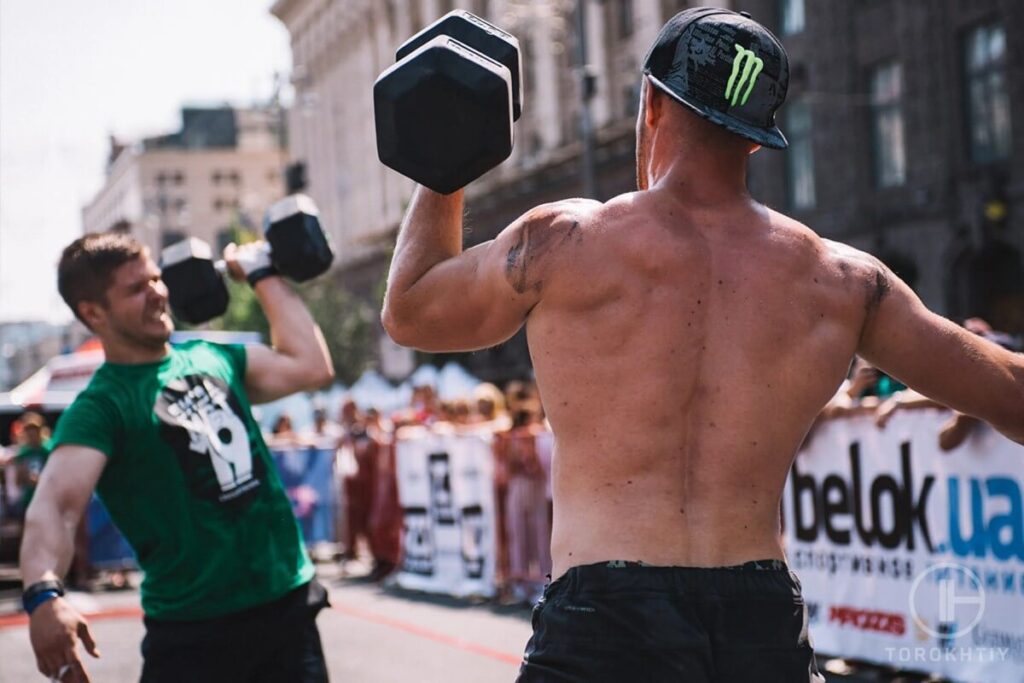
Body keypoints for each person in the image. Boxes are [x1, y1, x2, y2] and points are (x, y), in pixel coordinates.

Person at [380, 8, 1024, 681]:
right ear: (755, 140)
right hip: (758, 623)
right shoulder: (841, 280)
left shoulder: (565, 241)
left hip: (605, 618)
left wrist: (446, 160)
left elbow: (413, 310)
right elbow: (1013, 392)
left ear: (652, 103)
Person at [21, 232, 335, 683]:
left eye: (155, 279)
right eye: (136, 289)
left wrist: (263, 274)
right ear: (93, 313)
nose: (158, 293)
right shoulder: (102, 406)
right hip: (195, 638)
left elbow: (311, 365)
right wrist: (43, 596)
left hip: (288, 614)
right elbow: (55, 505)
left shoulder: (214, 357)